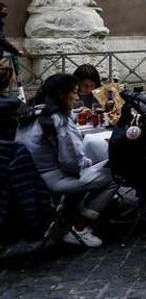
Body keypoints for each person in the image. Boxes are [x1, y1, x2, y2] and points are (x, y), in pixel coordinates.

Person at [15, 74, 117, 247]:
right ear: (62, 95)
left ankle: (70, 216)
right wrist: (90, 162)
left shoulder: (31, 112)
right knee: (117, 171)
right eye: (75, 93)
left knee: (94, 165)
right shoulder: (58, 120)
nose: (77, 97)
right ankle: (81, 226)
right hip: (53, 179)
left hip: (30, 177)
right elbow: (72, 163)